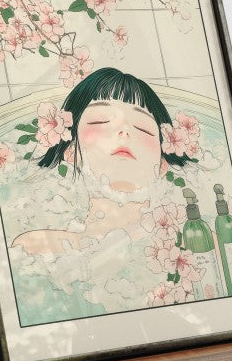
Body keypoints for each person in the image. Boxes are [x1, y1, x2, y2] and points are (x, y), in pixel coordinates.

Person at [12, 67, 190, 256]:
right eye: (101, 121)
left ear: (163, 163)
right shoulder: (35, 248)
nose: (124, 131)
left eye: (143, 128)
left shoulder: (196, 246)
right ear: (72, 151)